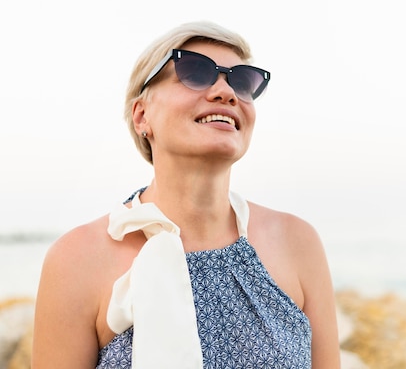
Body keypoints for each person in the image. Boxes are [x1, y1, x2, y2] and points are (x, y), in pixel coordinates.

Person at [32, 20, 340, 368]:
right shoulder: (76, 260)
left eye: (242, 81)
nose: (226, 92)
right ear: (141, 115)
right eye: (195, 72)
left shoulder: (298, 243)